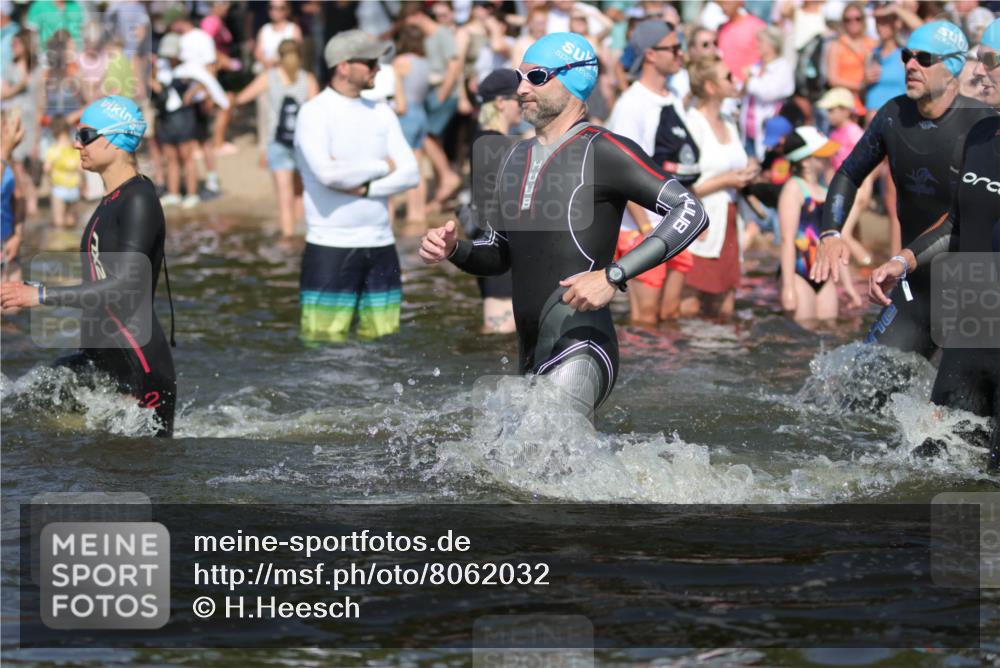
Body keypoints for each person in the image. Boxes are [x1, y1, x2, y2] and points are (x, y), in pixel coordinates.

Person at [419, 33, 708, 420]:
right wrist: (455, 250)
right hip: (530, 352)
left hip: (582, 344)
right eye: (519, 76)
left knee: (540, 458)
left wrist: (613, 275)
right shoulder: (510, 158)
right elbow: (499, 255)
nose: (521, 88)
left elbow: (689, 211)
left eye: (536, 77)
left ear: (574, 79)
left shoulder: (602, 149)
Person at [813, 20, 997, 359]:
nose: (911, 65)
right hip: (913, 280)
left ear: (954, 65)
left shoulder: (981, 125)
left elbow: (959, 218)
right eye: (906, 56)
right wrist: (830, 232)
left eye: (924, 59)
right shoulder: (893, 115)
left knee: (950, 406)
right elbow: (849, 173)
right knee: (862, 388)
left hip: (968, 292)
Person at [0, 96, 177, 437]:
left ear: (113, 139)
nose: (76, 143)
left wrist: (40, 295)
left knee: (136, 481)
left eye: (85, 134)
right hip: (101, 361)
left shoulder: (139, 200)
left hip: (138, 369)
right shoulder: (112, 200)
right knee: (18, 406)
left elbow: (125, 285)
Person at [294, 30, 419, 343]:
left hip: (381, 243)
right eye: (370, 62)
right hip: (330, 245)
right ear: (343, 66)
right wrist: (380, 166)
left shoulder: (382, 112)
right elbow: (328, 174)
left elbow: (411, 174)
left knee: (384, 343)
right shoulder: (314, 112)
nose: (378, 67)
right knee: (323, 345)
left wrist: (365, 188)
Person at [607, 19, 693, 325]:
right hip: (643, 229)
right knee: (644, 321)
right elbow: (621, 171)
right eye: (673, 48)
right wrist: (646, 230)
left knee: (669, 317)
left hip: (674, 223)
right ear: (651, 54)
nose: (680, 53)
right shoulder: (632, 105)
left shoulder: (671, 98)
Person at [681, 56, 756, 319]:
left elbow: (735, 163)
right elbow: (681, 187)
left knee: (725, 304)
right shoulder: (692, 123)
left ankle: (721, 354)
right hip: (702, 221)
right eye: (727, 77)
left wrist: (748, 172)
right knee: (690, 302)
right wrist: (727, 180)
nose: (734, 80)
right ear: (711, 87)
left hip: (730, 217)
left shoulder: (728, 119)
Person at [233, 38, 318, 239]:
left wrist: (229, 99)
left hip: (277, 142)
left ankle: (287, 238)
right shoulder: (308, 79)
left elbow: (242, 98)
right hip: (303, 143)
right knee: (300, 193)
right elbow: (317, 113)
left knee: (284, 195)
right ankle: (301, 238)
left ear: (278, 57)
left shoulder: (268, 77)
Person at [460, 68, 522, 335]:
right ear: (500, 103)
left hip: (492, 246)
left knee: (501, 331)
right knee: (499, 331)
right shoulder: (494, 143)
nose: (523, 105)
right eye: (518, 100)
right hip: (498, 249)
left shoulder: (486, 140)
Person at [777, 126, 859, 325]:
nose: (827, 158)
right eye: (820, 155)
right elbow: (787, 241)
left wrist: (848, 286)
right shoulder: (794, 188)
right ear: (805, 161)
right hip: (798, 274)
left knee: (828, 327)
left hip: (823, 274)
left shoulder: (826, 191)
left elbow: (833, 243)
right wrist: (788, 287)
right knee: (804, 330)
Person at [401, 4, 462, 214]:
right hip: (430, 93)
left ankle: (447, 177)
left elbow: (454, 64)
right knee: (434, 139)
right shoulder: (425, 38)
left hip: (443, 92)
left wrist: (443, 93)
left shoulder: (442, 33)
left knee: (425, 135)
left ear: (418, 16)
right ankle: (442, 191)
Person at [817, 86, 872, 267]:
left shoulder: (853, 132)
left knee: (843, 233)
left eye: (832, 110)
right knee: (854, 232)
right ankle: (853, 266)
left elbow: (869, 163)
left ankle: (868, 265)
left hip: (857, 190)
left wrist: (866, 189)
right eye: (827, 111)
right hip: (845, 190)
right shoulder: (834, 132)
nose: (829, 115)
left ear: (846, 110)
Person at [393, 24, 432, 231]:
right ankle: (419, 213)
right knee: (418, 167)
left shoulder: (400, 62)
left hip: (406, 116)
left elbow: (399, 97)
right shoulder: (424, 62)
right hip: (421, 114)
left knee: (407, 167)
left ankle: (411, 214)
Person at [825, 2, 877, 114]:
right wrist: (860, 86)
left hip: (868, 100)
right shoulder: (836, 45)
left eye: (857, 18)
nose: (853, 22)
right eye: (848, 19)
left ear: (863, 20)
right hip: (845, 103)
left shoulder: (873, 44)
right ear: (843, 22)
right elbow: (832, 79)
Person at [43, 115, 82, 228]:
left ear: (54, 132)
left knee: (58, 221)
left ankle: (60, 243)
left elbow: (46, 168)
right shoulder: (74, 149)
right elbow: (80, 169)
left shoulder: (54, 150)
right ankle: (71, 242)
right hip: (74, 187)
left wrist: (49, 178)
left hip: (58, 188)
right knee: (71, 220)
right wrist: (84, 185)